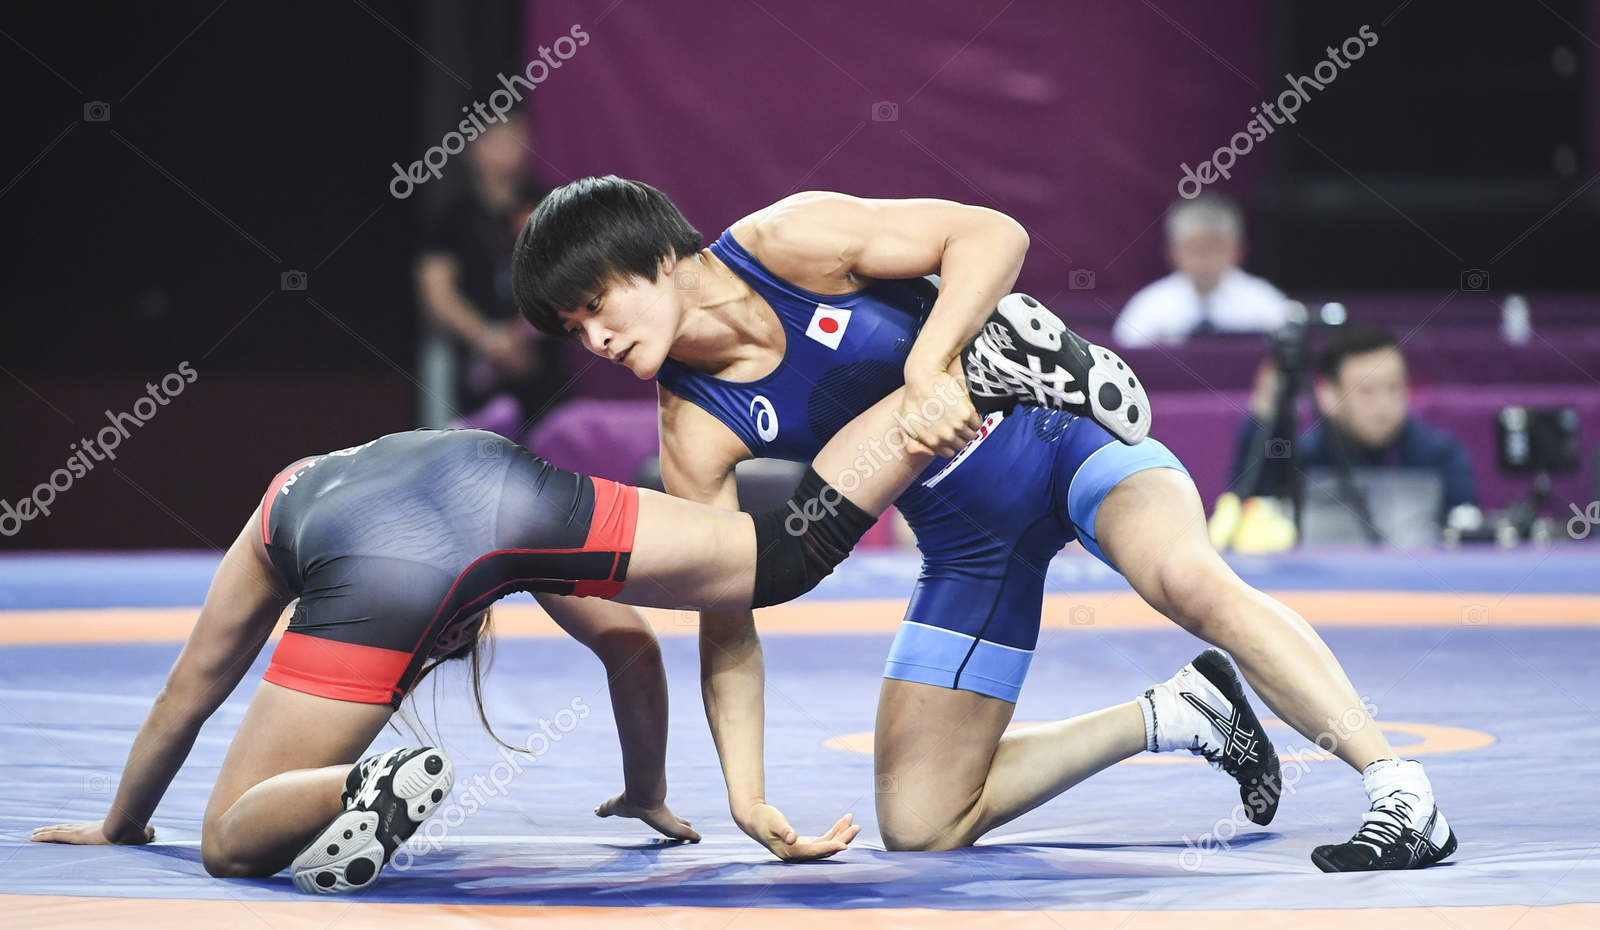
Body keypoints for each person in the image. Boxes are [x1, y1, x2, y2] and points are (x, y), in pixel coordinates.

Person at [513, 176, 1458, 874]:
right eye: (572, 328)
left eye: (597, 304)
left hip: (1060, 436)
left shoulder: (788, 240)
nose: (593, 339)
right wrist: (746, 795)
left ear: (661, 258)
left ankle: (1398, 790)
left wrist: (928, 365)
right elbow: (729, 615)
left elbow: (989, 232)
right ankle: (1177, 713)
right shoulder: (695, 428)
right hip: (967, 542)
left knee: (1189, 581)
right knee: (922, 822)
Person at [28, 336, 1085, 890]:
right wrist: (648, 792)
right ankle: (926, 402)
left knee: (226, 840)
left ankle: (365, 780)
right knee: (769, 558)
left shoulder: (287, 494)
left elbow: (192, 686)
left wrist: (125, 823)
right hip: (507, 483)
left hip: (359, 547)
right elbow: (628, 648)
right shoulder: (496, 544)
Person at [415, 115, 569, 436]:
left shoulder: (551, 206)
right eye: (496, 139)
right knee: (481, 454)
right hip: (479, 367)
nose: (508, 149)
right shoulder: (452, 216)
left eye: (516, 137)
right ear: (472, 149)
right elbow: (437, 292)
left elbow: (573, 275)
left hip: (542, 362)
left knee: (553, 456)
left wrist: (525, 333)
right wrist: (489, 340)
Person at [1230, 324, 1478, 518]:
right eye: (1367, 391)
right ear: (1328, 394)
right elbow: (1247, 507)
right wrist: (1265, 416)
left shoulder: (1441, 456)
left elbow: (1464, 536)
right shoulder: (1299, 458)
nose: (1384, 404)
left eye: (1394, 388)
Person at [1112, 194, 1290, 348]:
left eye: (1215, 249)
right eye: (1195, 250)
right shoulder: (1149, 306)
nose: (1205, 261)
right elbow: (1124, 362)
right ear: (1174, 251)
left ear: (1237, 250)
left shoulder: (1266, 303)